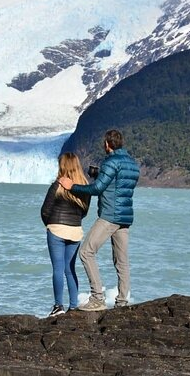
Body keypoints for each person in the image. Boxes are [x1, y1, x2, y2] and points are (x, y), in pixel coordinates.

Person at [59, 129, 140, 311]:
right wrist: (100, 175)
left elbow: (96, 189)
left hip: (110, 215)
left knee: (86, 252)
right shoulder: (132, 164)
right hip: (125, 217)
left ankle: (97, 298)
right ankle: (122, 302)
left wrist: (72, 187)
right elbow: (120, 185)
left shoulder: (111, 161)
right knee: (122, 260)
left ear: (107, 144)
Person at [41, 153, 91, 316]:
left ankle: (58, 306)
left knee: (58, 268)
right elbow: (84, 212)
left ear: (62, 165)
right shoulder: (84, 187)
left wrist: (50, 224)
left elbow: (45, 210)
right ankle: (73, 306)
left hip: (56, 229)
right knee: (70, 269)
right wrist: (74, 222)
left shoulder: (57, 185)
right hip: (75, 231)